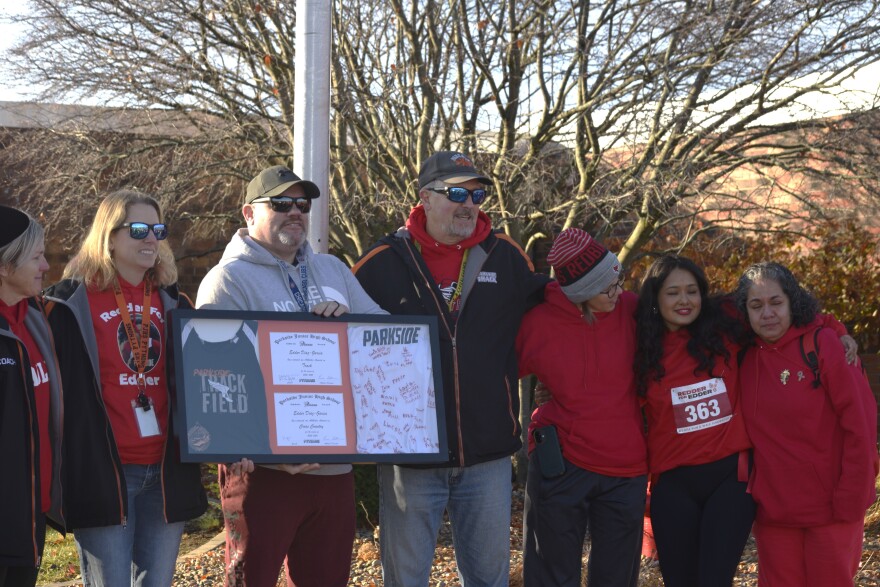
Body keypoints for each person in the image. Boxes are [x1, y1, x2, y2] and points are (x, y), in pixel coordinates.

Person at [352, 150, 550, 586]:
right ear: (424, 196)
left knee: (488, 579)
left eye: (478, 194)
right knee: (405, 579)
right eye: (456, 192)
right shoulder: (380, 262)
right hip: (409, 458)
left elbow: (554, 315)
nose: (469, 204)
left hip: (488, 455)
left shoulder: (507, 257)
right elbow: (339, 342)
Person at [196, 164, 386, 587]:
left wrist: (348, 322)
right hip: (266, 473)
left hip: (333, 470)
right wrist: (253, 447)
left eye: (303, 204)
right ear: (248, 213)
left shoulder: (333, 270)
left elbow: (387, 339)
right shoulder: (227, 280)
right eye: (280, 203)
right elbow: (215, 377)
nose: (295, 212)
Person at [44, 190, 207, 587]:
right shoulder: (66, 303)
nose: (151, 238)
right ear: (109, 236)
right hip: (103, 472)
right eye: (138, 229)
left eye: (157, 229)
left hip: (165, 471)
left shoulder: (175, 302)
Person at [516, 228, 648, 587]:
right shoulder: (538, 324)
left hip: (626, 468)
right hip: (561, 463)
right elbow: (491, 369)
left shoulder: (633, 311)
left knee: (616, 577)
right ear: (581, 293)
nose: (618, 292)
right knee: (551, 577)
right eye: (606, 288)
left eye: (618, 280)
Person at [734, 262, 878, 587]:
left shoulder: (823, 344)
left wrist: (852, 496)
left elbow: (861, 424)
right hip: (774, 511)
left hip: (832, 507)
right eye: (756, 305)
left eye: (776, 302)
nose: (767, 313)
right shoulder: (743, 355)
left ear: (792, 301)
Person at [633, 254, 755, 587]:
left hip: (729, 480)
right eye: (673, 293)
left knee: (714, 580)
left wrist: (834, 332)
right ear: (656, 298)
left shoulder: (727, 325)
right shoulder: (640, 347)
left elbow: (784, 311)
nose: (684, 300)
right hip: (672, 485)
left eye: (692, 291)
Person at [0, 205, 63, 587]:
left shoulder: (37, 318)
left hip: (32, 512)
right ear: (5, 266)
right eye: (37, 257)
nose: (46, 267)